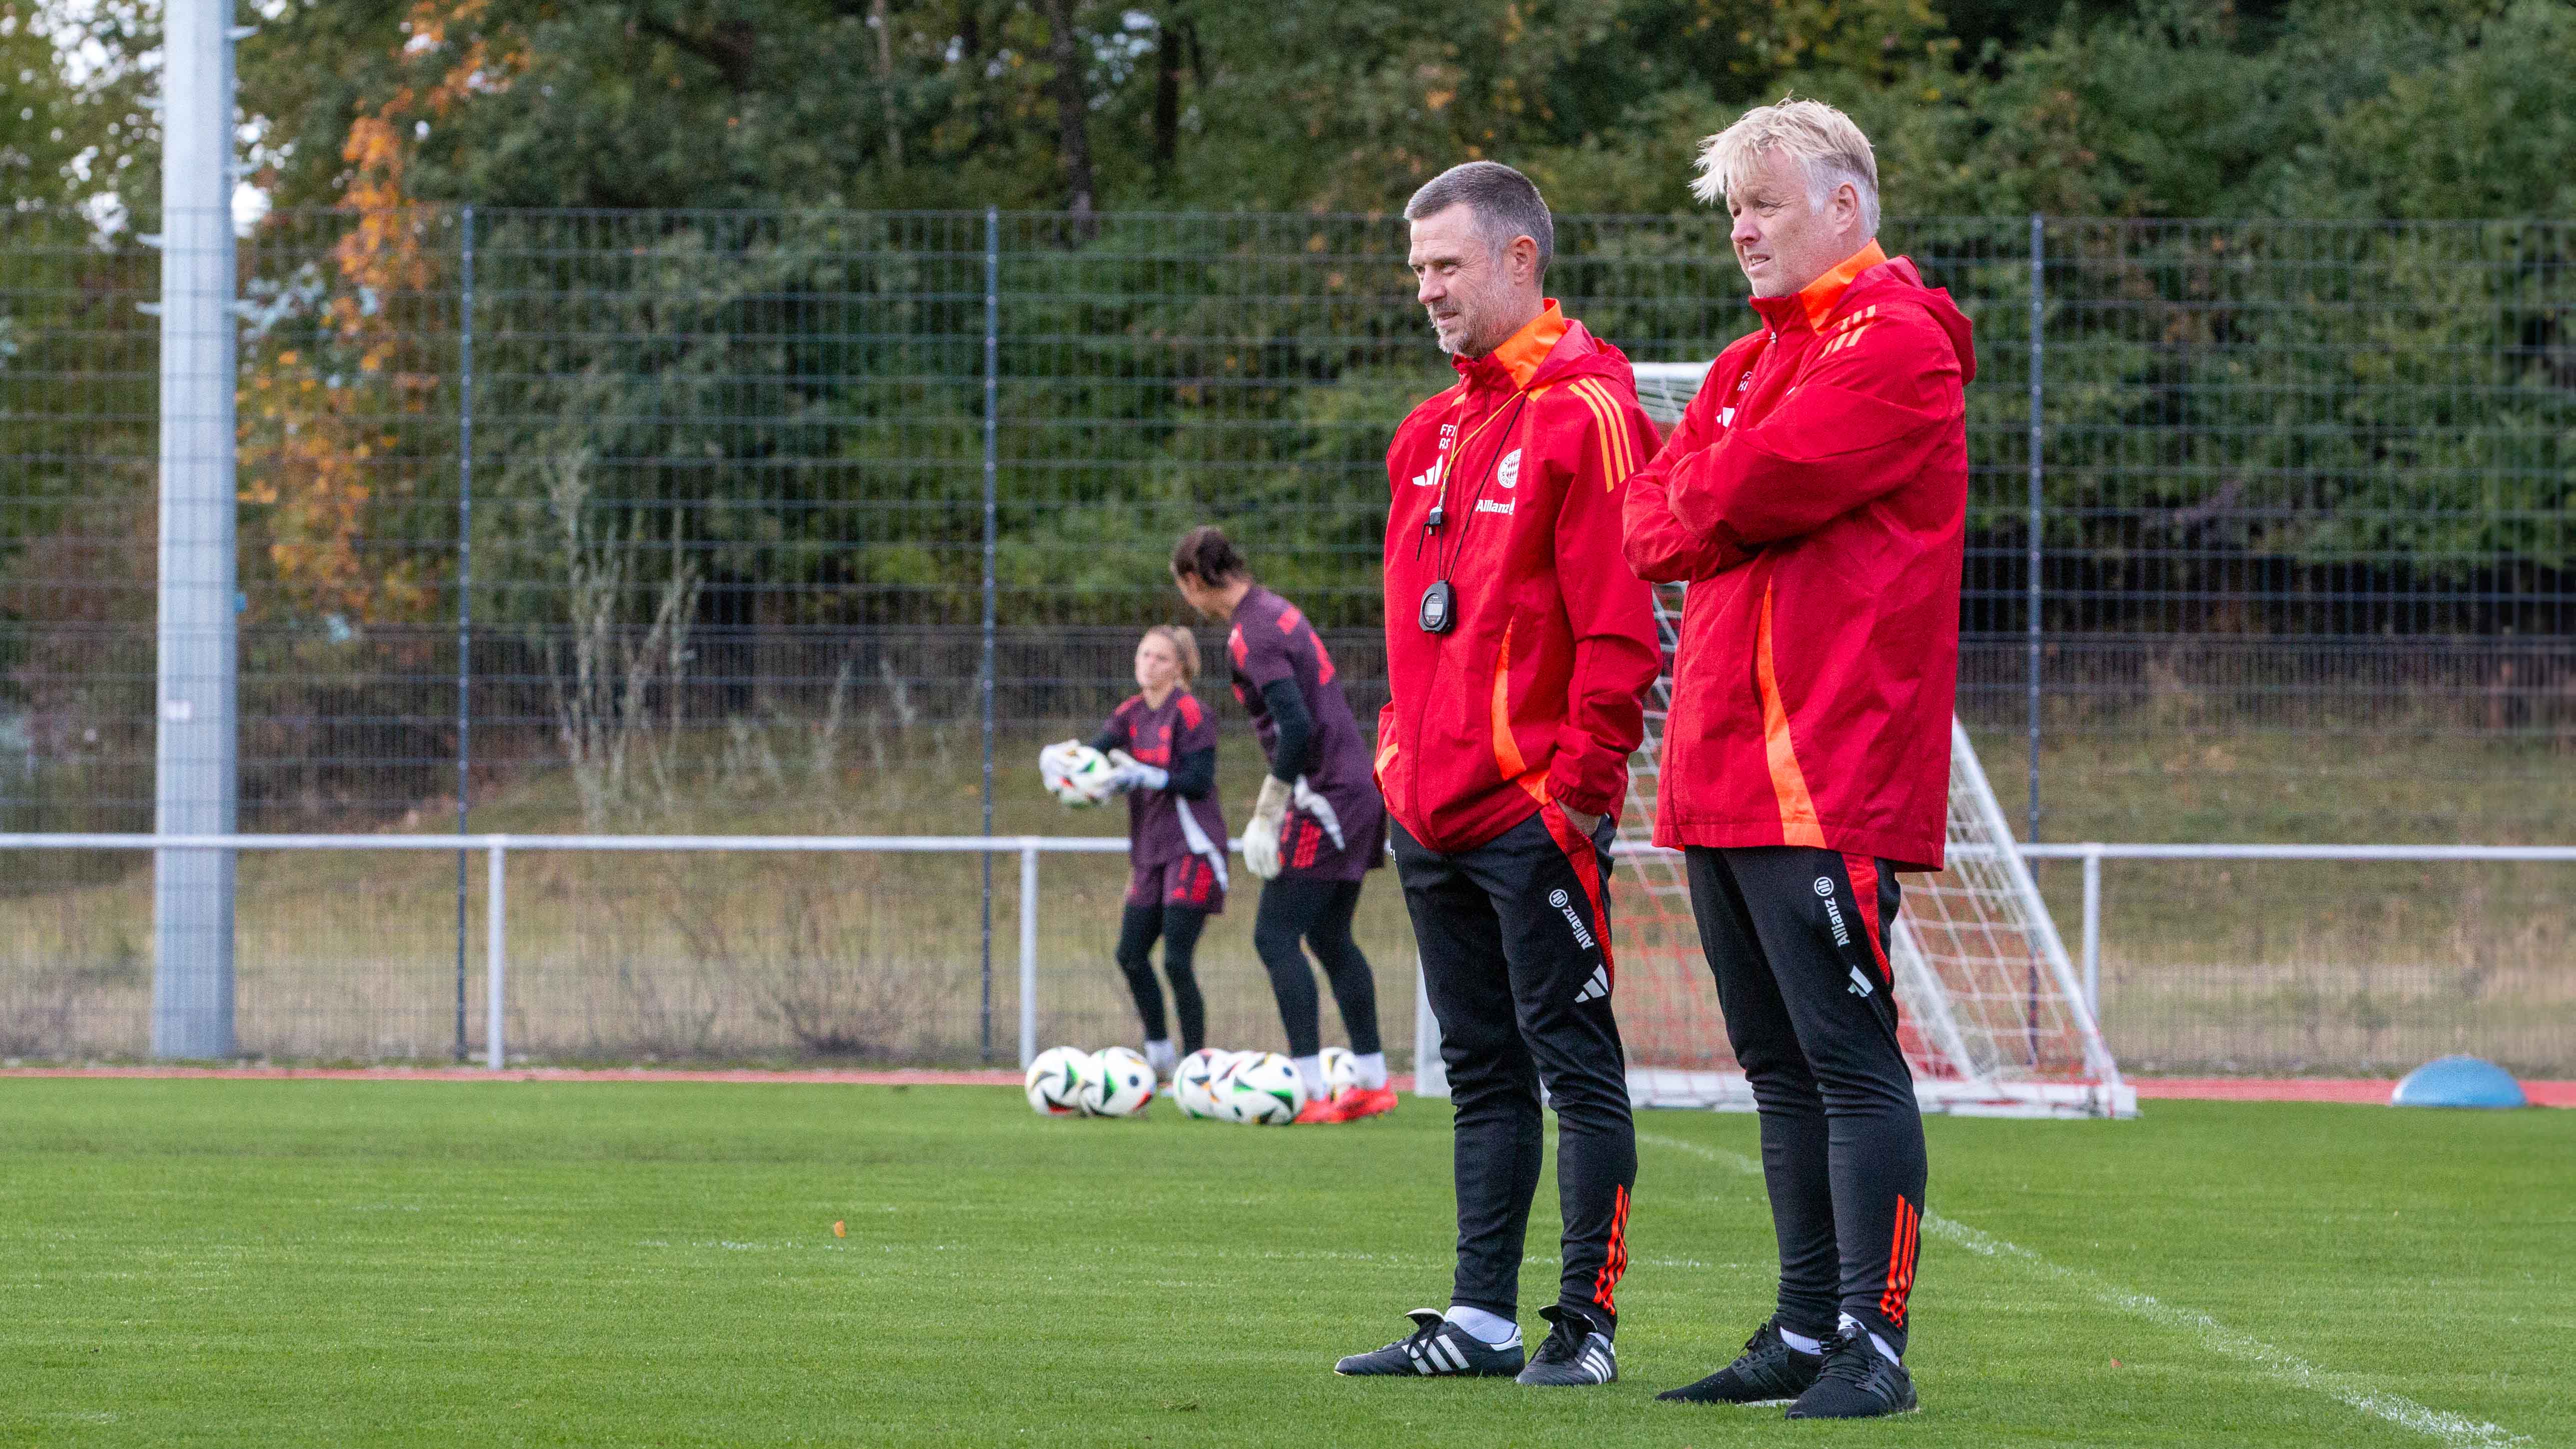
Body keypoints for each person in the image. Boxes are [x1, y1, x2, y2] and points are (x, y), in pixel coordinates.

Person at [1621, 98, 1972, 1420]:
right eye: (1730, 211)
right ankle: (1805, 1323)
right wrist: (1700, 484)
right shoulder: (1741, 364)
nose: (1742, 230)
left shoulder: (1892, 344)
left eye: (1763, 204)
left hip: (1821, 764)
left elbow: (1721, 495)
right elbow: (1652, 519)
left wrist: (1704, 485)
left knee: (1845, 1057)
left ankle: (1871, 1344)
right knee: (1773, 1068)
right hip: (1720, 765)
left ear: (1845, 204)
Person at [1336, 161, 1660, 1390]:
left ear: (1519, 260)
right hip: (1431, 809)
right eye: (1415, 269)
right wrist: (1393, 758)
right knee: (1476, 1070)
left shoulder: (1589, 410)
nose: (1425, 290)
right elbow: (1415, 627)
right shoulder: (1424, 431)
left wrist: (1581, 783)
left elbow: (1619, 621)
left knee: (1573, 1066)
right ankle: (1478, 1320)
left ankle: (1583, 1324)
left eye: (1445, 266)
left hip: (1536, 809)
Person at [1169, 525, 1397, 1124]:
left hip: (1327, 796)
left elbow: (1296, 729)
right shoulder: (1278, 610)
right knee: (1327, 936)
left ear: (1194, 582)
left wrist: (1271, 806)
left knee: (1274, 936)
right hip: (1355, 787)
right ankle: (1371, 1080)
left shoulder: (1251, 634)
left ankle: (1309, 1090)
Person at [1062, 626, 1230, 1079]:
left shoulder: (1192, 712)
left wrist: (1146, 776)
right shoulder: (1130, 714)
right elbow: (1092, 753)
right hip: (1150, 851)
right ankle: (1159, 1055)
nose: (1148, 664)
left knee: (1176, 959)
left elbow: (1197, 780)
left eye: (1159, 658)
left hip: (1193, 847)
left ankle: (1196, 1068)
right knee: (1130, 953)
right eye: (1143, 655)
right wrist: (1063, 764)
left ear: (1180, 667)